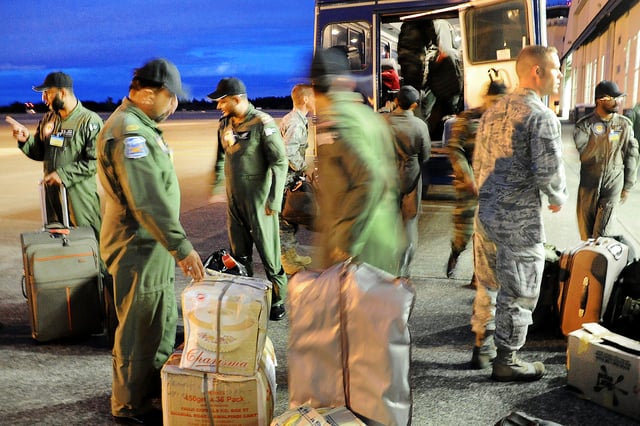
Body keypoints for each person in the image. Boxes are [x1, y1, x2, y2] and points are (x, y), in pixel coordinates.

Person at [96, 58, 205, 424]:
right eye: (169, 97)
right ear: (145, 93)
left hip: (150, 243)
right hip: (138, 244)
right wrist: (182, 246)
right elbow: (147, 199)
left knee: (157, 320)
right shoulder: (129, 133)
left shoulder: (141, 127)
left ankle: (150, 392)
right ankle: (129, 405)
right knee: (139, 327)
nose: (174, 105)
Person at [470, 45, 568, 381]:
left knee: (488, 284)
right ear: (536, 72)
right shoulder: (540, 116)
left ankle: (481, 347)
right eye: (555, 69)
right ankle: (507, 360)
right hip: (518, 222)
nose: (559, 75)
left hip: (485, 216)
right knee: (520, 290)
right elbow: (549, 172)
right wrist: (557, 196)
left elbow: (478, 164)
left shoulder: (493, 112)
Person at [311, 47, 407, 276]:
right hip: (380, 237)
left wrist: (346, 241)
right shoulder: (368, 116)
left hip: (358, 251)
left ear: (317, 87)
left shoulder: (339, 121)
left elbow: (370, 179)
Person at [208, 77, 289, 321]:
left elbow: (280, 162)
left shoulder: (262, 123)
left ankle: (278, 300)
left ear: (237, 99)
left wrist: (274, 202)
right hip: (235, 202)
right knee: (239, 256)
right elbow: (220, 158)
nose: (218, 106)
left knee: (269, 256)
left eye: (221, 101)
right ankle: (247, 297)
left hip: (259, 203)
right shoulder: (224, 124)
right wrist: (216, 186)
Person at [8, 71, 103, 240]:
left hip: (79, 198)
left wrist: (63, 174)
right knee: (59, 244)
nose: (44, 98)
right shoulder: (48, 119)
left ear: (63, 92)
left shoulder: (89, 121)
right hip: (53, 198)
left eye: (48, 93)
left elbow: (96, 162)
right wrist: (26, 140)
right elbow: (39, 152)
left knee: (88, 244)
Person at [446, 75, 508, 281]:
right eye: (494, 101)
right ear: (486, 98)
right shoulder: (468, 118)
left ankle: (479, 276)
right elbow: (454, 148)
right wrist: (467, 177)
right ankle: (456, 251)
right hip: (469, 185)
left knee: (489, 233)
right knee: (464, 232)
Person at [573, 80, 639, 240]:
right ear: (599, 100)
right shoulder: (584, 126)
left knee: (601, 235)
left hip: (613, 184)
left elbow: (631, 155)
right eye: (613, 98)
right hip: (589, 186)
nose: (618, 102)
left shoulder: (624, 125)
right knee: (587, 236)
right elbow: (584, 153)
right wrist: (603, 138)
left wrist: (628, 185)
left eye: (619, 98)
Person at [387, 85, 431, 277]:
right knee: (409, 222)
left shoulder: (383, 122)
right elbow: (426, 155)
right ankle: (403, 266)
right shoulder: (420, 126)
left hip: (387, 177)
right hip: (411, 177)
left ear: (396, 101)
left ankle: (387, 264)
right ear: (414, 105)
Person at [279, 83, 314, 275]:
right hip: (285, 179)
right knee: (285, 220)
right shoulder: (295, 122)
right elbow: (289, 152)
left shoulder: (298, 119)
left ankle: (291, 253)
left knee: (291, 219)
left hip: (291, 177)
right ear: (306, 99)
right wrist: (304, 167)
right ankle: (286, 260)